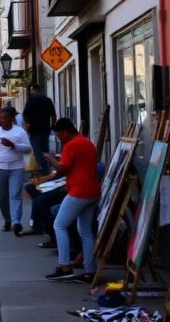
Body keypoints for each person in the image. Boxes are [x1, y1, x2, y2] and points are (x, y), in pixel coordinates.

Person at [43, 118, 100, 282]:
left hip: (78, 191)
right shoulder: (87, 142)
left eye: (59, 134)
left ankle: (64, 265)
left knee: (59, 225)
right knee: (86, 232)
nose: (58, 138)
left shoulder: (71, 145)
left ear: (65, 132)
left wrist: (52, 160)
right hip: (93, 191)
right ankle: (90, 270)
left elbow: (62, 169)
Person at [0, 107, 31, 235]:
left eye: (5, 118)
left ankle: (16, 222)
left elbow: (28, 148)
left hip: (16, 168)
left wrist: (13, 145)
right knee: (3, 196)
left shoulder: (19, 132)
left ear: (12, 118)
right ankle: (7, 219)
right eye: (0, 118)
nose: (2, 120)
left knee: (15, 194)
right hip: (0, 168)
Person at [22, 83, 57, 174]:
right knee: (45, 151)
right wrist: (53, 125)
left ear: (34, 90)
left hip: (34, 131)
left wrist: (27, 124)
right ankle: (46, 169)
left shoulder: (31, 101)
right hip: (45, 130)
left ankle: (45, 171)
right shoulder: (47, 100)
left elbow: (25, 114)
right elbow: (53, 115)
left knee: (38, 152)